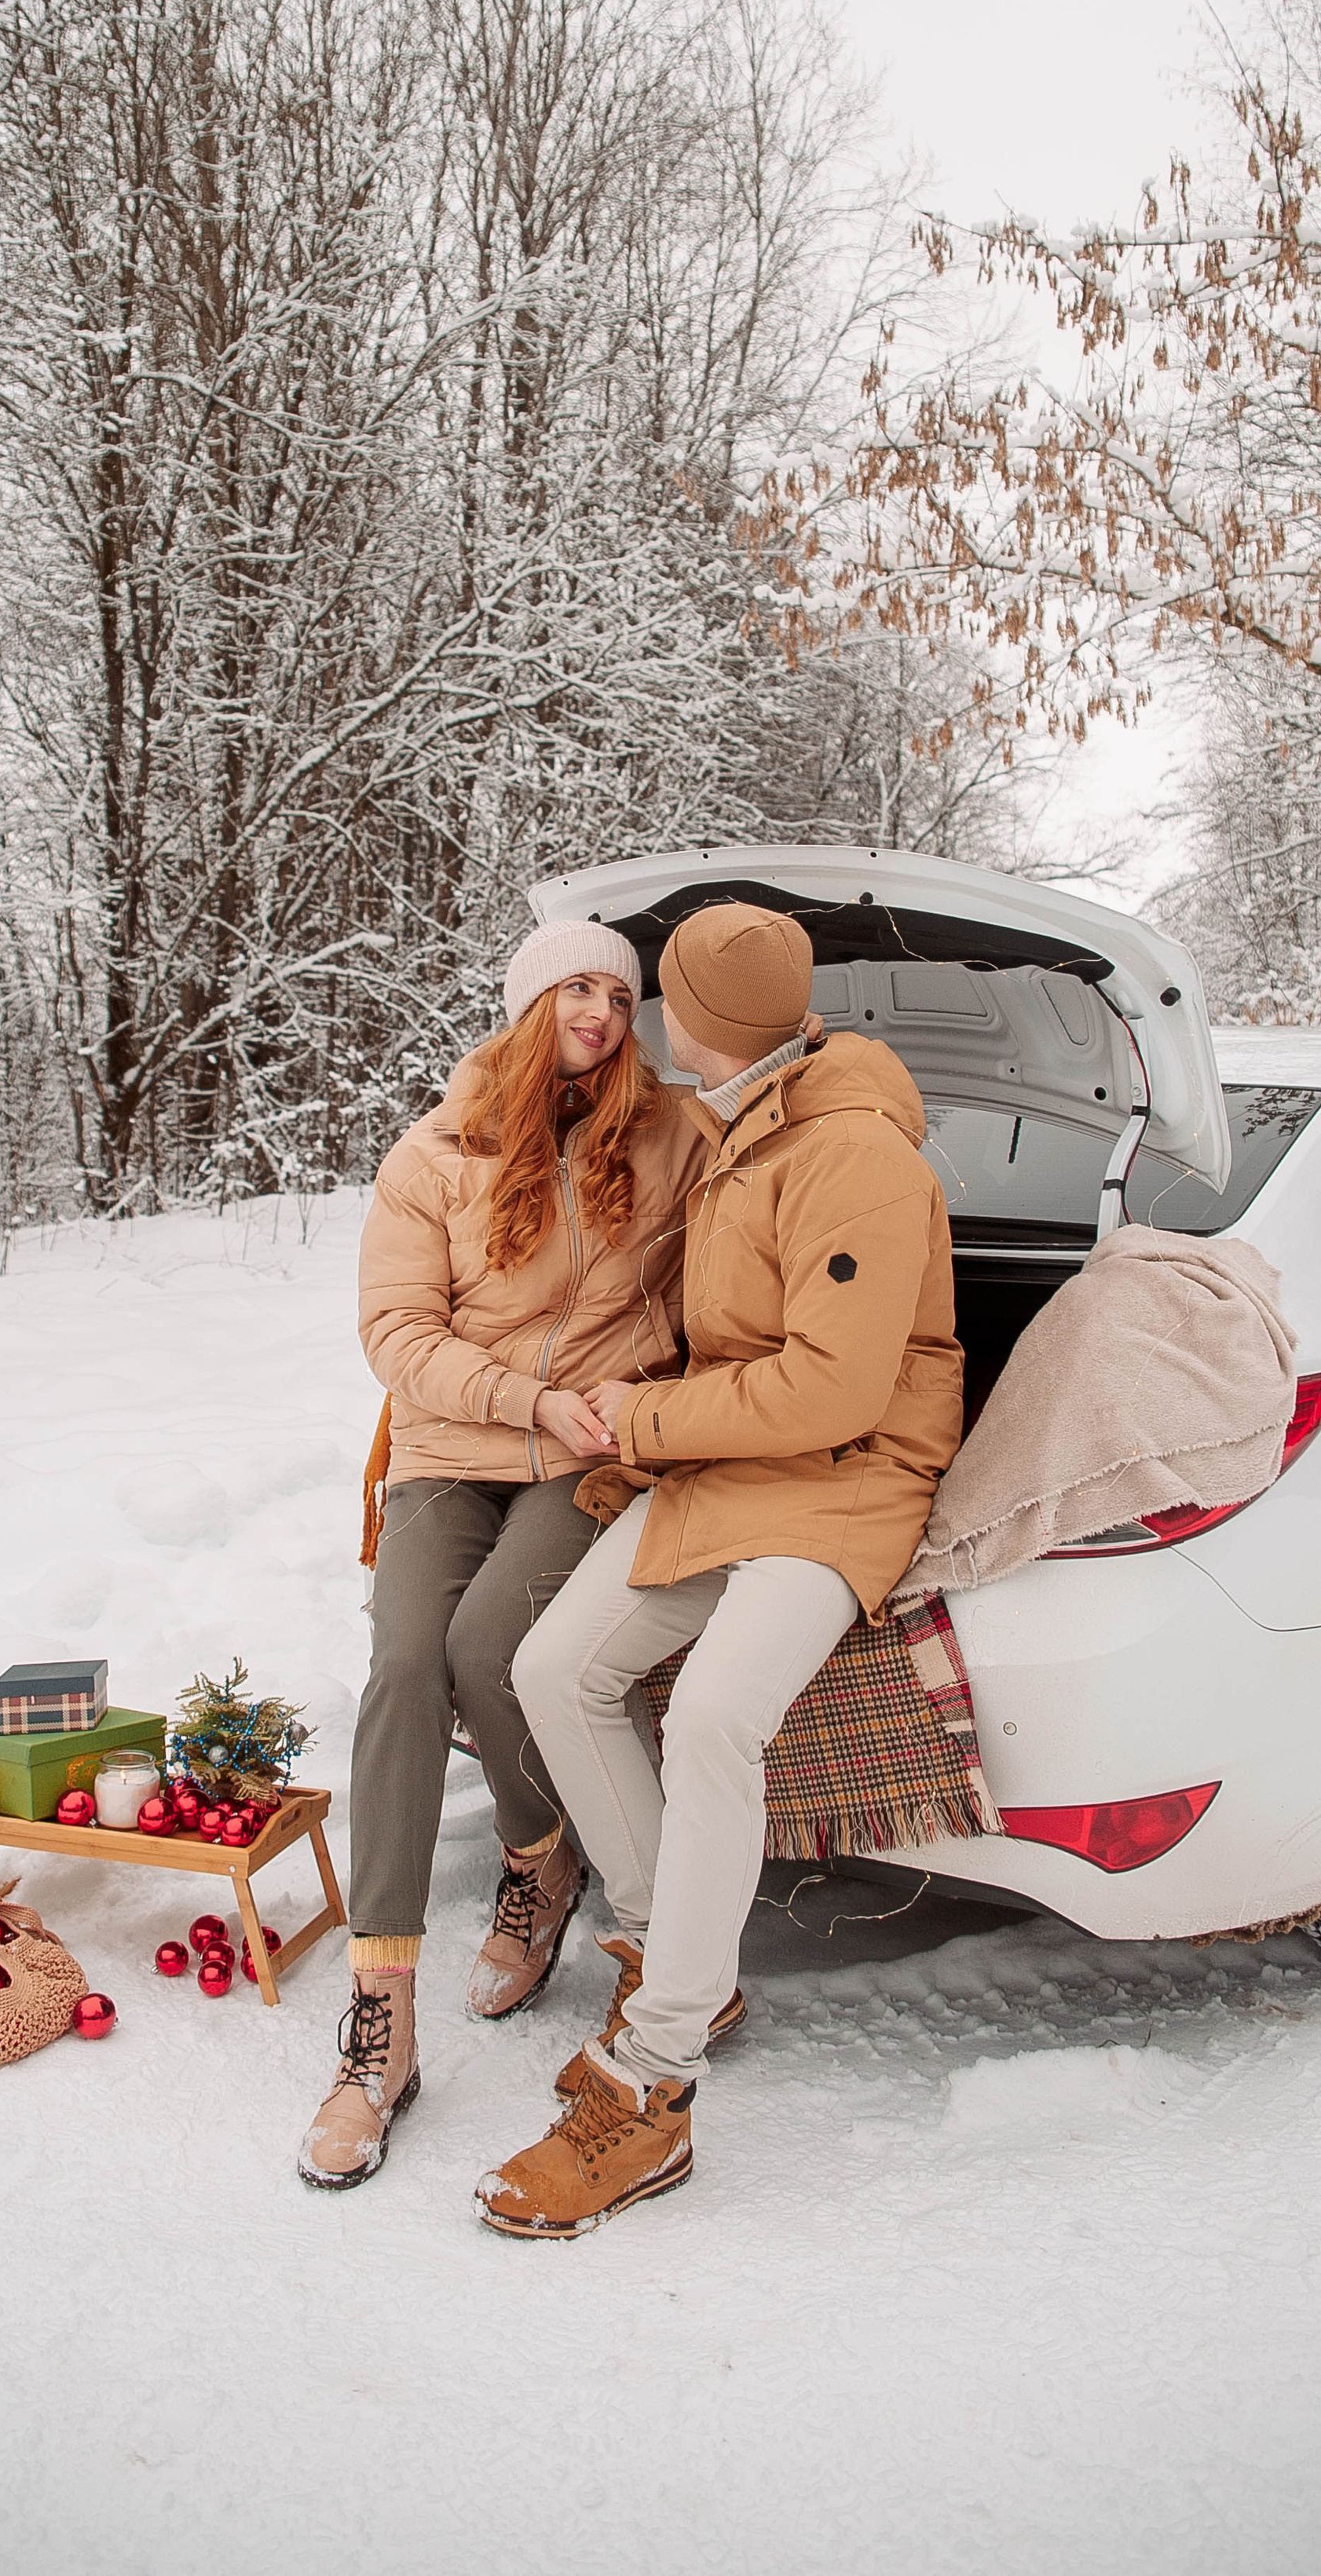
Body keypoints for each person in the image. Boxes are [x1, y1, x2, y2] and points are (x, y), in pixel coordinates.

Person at [475, 898, 963, 2238]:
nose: (646, 1017)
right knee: (553, 1668)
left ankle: (656, 2078)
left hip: (847, 1480)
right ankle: (662, 1935)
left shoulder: (850, 1151)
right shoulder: (752, 1114)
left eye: (660, 999)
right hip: (736, 1464)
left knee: (713, 1717)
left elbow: (830, 1390)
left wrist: (642, 1421)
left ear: (704, 1018)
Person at [298, 919, 707, 2191]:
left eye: (618, 992)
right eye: (575, 987)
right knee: (406, 1667)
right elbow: (394, 1330)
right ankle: (381, 2024)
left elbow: (773, 1151)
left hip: (588, 1453)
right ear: (529, 1007)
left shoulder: (670, 1134)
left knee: (497, 1652)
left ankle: (539, 1857)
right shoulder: (435, 1153)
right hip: (452, 1444)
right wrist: (520, 1399)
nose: (600, 1008)